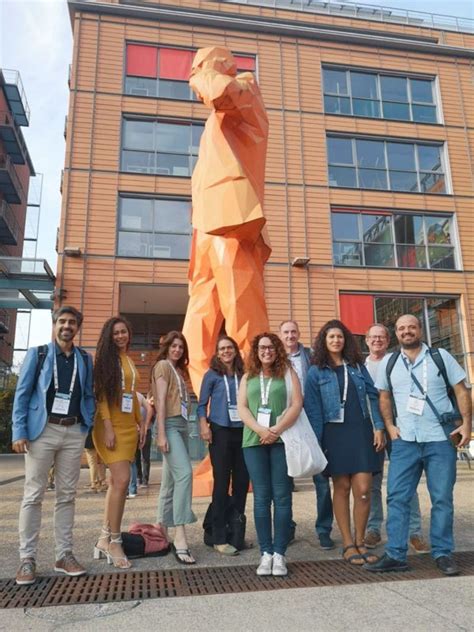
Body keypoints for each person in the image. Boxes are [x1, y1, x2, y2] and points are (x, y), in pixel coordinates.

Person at [182, 46, 271, 396]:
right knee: (194, 337)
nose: (193, 71)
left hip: (231, 229)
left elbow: (218, 89)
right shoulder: (215, 127)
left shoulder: (245, 91)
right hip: (206, 232)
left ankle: (259, 409)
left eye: (199, 65)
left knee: (246, 324)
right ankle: (216, 418)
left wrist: (202, 73)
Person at [365, 315, 472, 576]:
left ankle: (443, 553)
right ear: (397, 334)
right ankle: (395, 554)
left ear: (420, 330)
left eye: (411, 327)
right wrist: (390, 426)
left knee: (442, 499)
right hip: (405, 442)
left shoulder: (441, 357)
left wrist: (468, 423)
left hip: (440, 439)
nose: (406, 331)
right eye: (401, 328)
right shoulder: (389, 362)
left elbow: (461, 390)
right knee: (398, 498)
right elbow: (384, 396)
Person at [12, 306, 95, 585]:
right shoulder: (39, 354)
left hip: (73, 432)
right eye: (62, 321)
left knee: (67, 495)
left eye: (72, 322)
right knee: (33, 494)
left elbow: (89, 394)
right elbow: (22, 394)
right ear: (54, 324)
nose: (66, 326)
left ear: (77, 327)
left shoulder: (84, 358)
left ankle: (64, 555)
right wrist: (18, 431)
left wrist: (88, 424)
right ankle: (27, 559)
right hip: (42, 431)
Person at [304, 320, 385, 566]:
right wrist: (318, 442)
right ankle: (348, 543)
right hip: (333, 434)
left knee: (363, 489)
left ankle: (361, 541)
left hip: (360, 432)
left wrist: (379, 427)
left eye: (339, 336)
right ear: (324, 341)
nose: (336, 341)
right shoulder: (316, 371)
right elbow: (313, 408)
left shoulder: (358, 367)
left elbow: (373, 395)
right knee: (341, 487)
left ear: (345, 339)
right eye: (331, 337)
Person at [238, 333, 302, 577]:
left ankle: (279, 553)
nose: (267, 351)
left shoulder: (287, 373)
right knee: (261, 498)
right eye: (262, 347)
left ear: (278, 350)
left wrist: (275, 430)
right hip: (254, 442)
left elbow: (297, 403)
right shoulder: (248, 377)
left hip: (282, 441)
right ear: (256, 351)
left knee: (282, 496)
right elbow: (242, 407)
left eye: (271, 347)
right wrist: (261, 430)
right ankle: (265, 553)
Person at [364, 323, 429, 553]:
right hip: (373, 431)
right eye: (373, 337)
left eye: (381, 337)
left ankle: (415, 533)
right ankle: (373, 529)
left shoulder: (398, 361)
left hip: (400, 429)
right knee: (372, 484)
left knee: (407, 483)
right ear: (366, 340)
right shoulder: (361, 366)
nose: (377, 340)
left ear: (388, 340)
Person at [93, 317, 144, 569]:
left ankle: (104, 537)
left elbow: (131, 396)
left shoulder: (129, 360)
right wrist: (109, 427)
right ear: (109, 336)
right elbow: (102, 396)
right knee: (122, 481)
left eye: (124, 332)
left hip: (128, 427)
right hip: (109, 426)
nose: (120, 336)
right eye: (116, 333)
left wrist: (139, 423)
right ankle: (115, 541)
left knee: (117, 483)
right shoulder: (106, 360)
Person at [279, 320, 334, 551]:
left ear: (299, 334)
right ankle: (286, 529)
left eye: (293, 331)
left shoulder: (312, 356)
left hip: (311, 419)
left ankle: (323, 530)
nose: (290, 336)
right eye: (286, 332)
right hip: (285, 420)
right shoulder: (275, 358)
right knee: (284, 479)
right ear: (280, 335)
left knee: (321, 477)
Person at [198, 335, 249, 556]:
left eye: (229, 348)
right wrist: (203, 426)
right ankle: (218, 537)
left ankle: (236, 535)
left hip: (244, 431)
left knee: (241, 483)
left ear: (235, 351)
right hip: (220, 432)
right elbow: (201, 405)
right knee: (221, 483)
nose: (226, 351)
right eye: (222, 349)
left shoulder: (244, 374)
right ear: (217, 353)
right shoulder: (212, 375)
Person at [151, 331, 197, 564]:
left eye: (181, 346)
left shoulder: (179, 372)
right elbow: (159, 401)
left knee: (169, 482)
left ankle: (161, 528)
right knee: (185, 475)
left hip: (182, 426)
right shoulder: (162, 366)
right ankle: (180, 535)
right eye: (174, 346)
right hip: (168, 426)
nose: (177, 350)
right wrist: (160, 433)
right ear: (167, 347)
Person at [128, 392, 153, 498]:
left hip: (133, 430)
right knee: (137, 458)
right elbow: (149, 409)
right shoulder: (138, 395)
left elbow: (150, 409)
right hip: (137, 430)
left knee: (138, 458)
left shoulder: (136, 395)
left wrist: (145, 426)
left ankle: (140, 482)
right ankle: (137, 482)